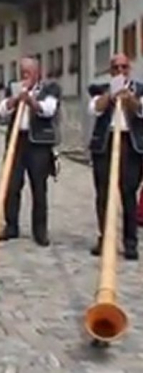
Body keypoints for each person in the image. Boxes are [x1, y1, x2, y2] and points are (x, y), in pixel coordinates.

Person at [0, 57, 61, 246]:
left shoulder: (49, 88)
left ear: (37, 73)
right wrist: (16, 99)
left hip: (38, 143)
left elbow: (48, 110)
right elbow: (2, 111)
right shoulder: (13, 88)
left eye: (28, 72)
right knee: (12, 185)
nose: (24, 76)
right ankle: (11, 226)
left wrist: (31, 101)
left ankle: (40, 231)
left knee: (39, 187)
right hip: (17, 141)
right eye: (22, 72)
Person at [88, 53, 143, 260]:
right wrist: (111, 94)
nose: (120, 71)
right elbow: (94, 109)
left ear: (129, 69)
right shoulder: (100, 89)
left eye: (124, 68)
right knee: (103, 193)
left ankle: (130, 242)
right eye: (116, 68)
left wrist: (131, 100)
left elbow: (142, 110)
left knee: (128, 192)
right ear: (110, 71)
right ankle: (105, 238)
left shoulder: (139, 89)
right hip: (105, 143)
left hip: (131, 143)